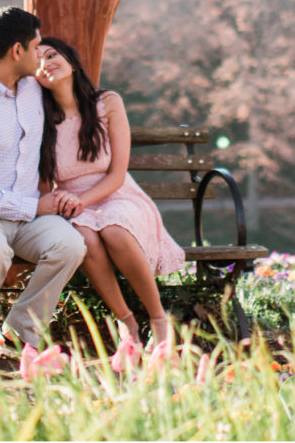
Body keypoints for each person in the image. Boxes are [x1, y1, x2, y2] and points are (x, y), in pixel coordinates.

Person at [0, 6, 87, 368]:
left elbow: (73, 109)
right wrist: (34, 207)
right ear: (17, 52)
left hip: (25, 221)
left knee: (69, 244)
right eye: (37, 46)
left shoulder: (32, 91)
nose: (41, 53)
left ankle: (19, 331)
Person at [37, 35, 185, 348]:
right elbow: (42, 187)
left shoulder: (107, 103)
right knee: (85, 238)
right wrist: (61, 202)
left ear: (71, 60)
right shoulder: (42, 122)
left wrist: (80, 200)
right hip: (74, 208)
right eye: (37, 62)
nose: (45, 64)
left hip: (119, 196)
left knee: (115, 228)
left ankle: (158, 318)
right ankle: (127, 322)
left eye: (51, 55)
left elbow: (117, 174)